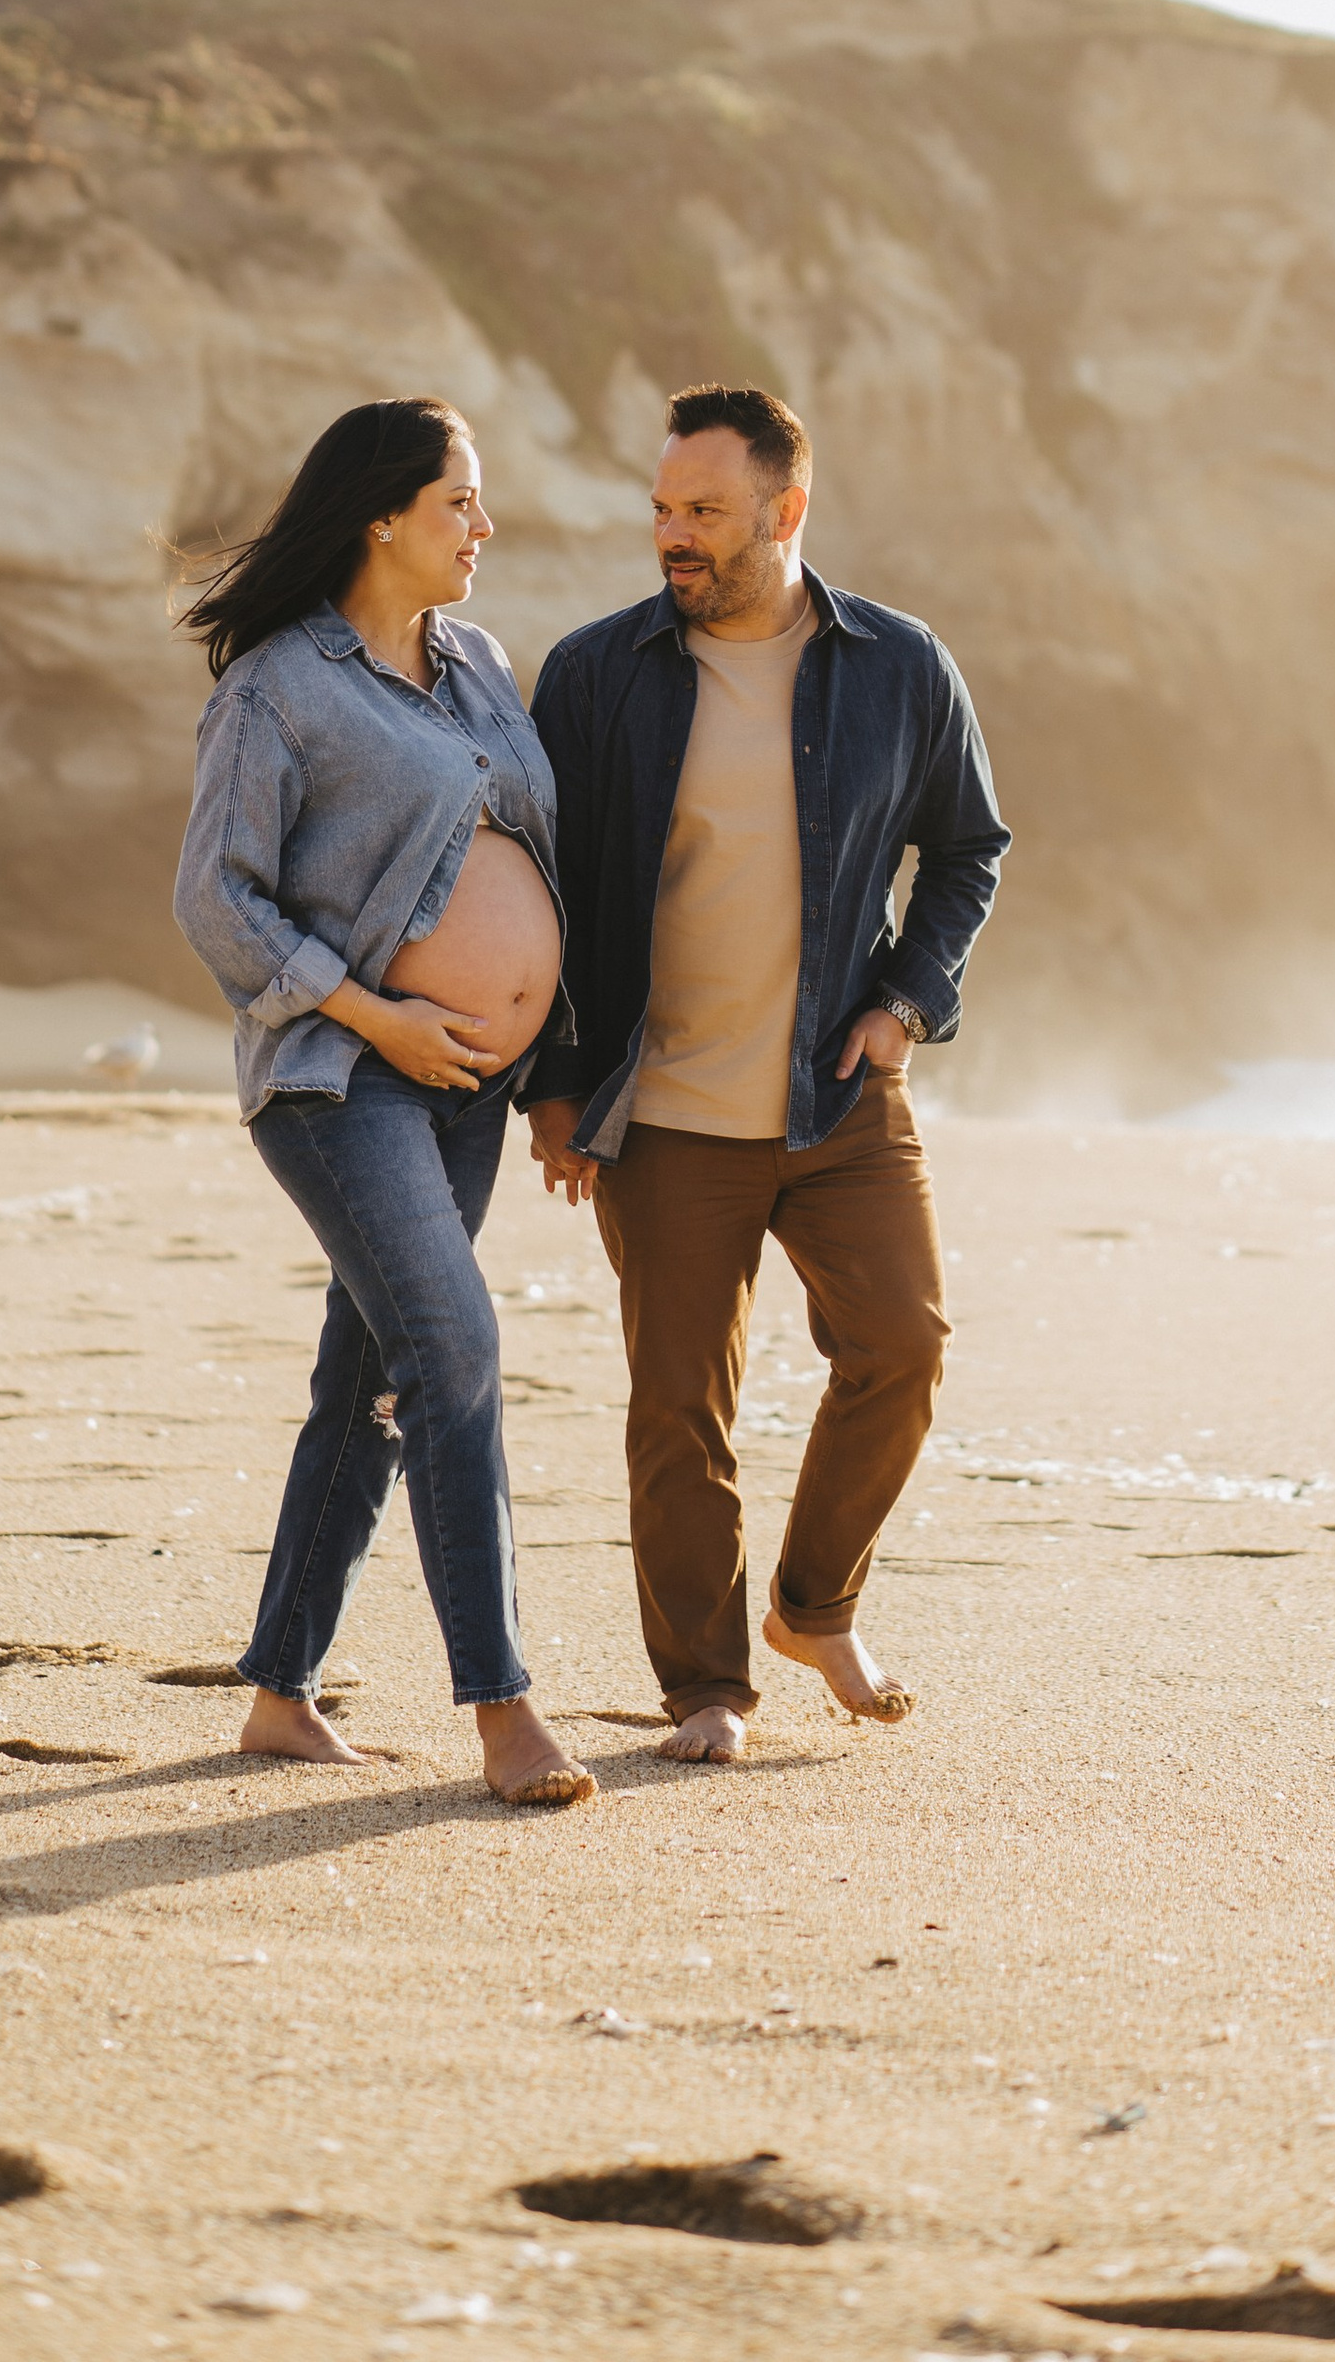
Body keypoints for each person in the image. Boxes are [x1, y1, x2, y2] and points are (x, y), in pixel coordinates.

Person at [524, 383, 1008, 1763]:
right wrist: (556, 1083)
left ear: (786, 513)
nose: (672, 535)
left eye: (705, 514)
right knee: (682, 1409)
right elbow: (539, 884)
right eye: (663, 508)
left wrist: (907, 1002)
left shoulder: (901, 666)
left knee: (903, 1349)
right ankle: (707, 1691)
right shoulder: (596, 673)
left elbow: (971, 844)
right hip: (659, 1108)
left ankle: (812, 1603)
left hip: (836, 1095)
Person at [171, 397, 593, 1809]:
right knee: (456, 1353)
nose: (484, 525)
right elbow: (215, 901)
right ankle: (505, 1709)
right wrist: (378, 1017)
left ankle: (281, 1693)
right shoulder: (281, 688)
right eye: (460, 500)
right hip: (339, 1082)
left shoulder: (480, 665)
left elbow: (535, 861)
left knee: (367, 1385)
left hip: (472, 1087)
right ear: (383, 516)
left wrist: (549, 1069)